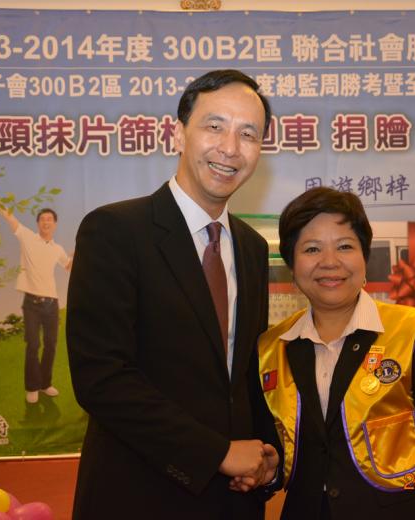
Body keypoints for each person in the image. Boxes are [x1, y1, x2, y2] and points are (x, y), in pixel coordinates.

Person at [66, 70, 280, 519]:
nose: (230, 148)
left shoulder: (252, 248)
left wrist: (267, 455)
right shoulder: (115, 231)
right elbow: (101, 378)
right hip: (140, 494)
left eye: (248, 134)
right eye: (214, 126)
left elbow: (245, 374)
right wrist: (216, 453)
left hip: (234, 501)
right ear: (178, 134)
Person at [258, 187, 415, 519]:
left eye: (345, 246)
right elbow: (277, 453)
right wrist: (270, 471)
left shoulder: (412, 330)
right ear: (292, 265)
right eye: (312, 248)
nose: (329, 262)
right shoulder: (271, 347)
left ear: (365, 257)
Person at [0, 186, 72, 404]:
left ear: (55, 224)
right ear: (38, 224)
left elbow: (68, 266)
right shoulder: (27, 237)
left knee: (51, 345)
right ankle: (32, 387)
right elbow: (8, 216)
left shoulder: (57, 248)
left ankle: (45, 384)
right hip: (32, 304)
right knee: (33, 344)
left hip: (52, 304)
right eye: (43, 219)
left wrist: (80, 254)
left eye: (50, 219)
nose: (46, 222)